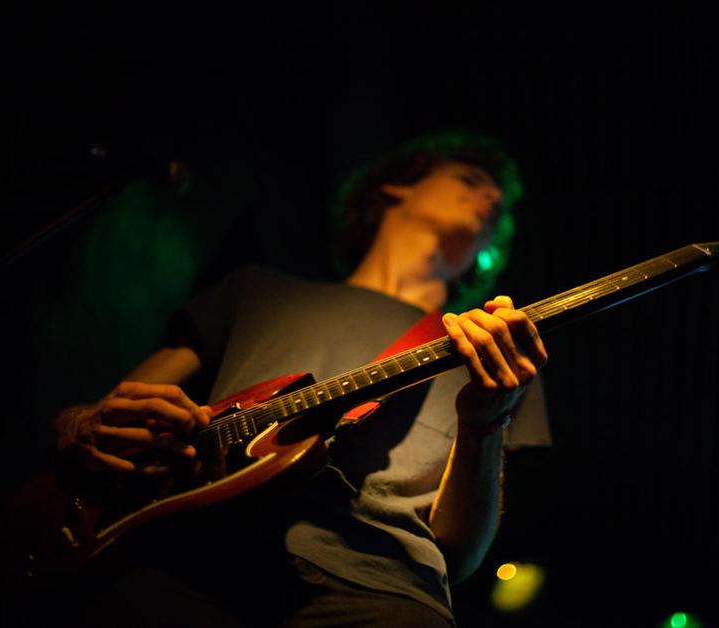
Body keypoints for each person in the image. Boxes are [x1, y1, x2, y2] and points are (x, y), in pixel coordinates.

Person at [47, 131, 551, 627]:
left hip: (377, 591)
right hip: (181, 555)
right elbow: (97, 415)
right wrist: (78, 425)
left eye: (500, 205)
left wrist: (486, 423)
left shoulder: (496, 351)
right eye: (470, 179)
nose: (492, 199)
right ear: (396, 185)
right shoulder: (258, 289)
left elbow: (458, 554)